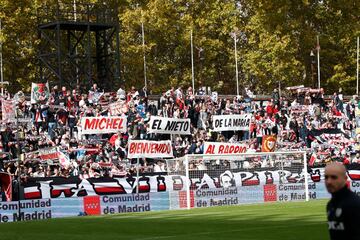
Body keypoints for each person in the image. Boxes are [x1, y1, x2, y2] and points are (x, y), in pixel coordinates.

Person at [325, 163, 360, 240]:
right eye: (326, 177)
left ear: (345, 178)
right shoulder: (330, 204)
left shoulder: (354, 204)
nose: (329, 181)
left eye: (334, 177)